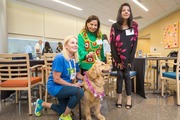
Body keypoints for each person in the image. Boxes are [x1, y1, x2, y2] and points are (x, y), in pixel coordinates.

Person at [34, 35, 84, 120]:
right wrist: (72, 85)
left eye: (76, 43)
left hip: (66, 86)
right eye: (72, 43)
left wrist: (88, 78)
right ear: (65, 46)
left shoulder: (74, 59)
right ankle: (64, 117)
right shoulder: (60, 58)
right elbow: (56, 79)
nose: (76, 45)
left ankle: (41, 103)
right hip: (55, 86)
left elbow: (77, 74)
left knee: (63, 110)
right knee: (79, 92)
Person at [110, 3, 138, 109]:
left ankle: (129, 98)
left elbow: (135, 43)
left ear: (130, 13)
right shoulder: (114, 26)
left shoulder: (134, 26)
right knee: (120, 76)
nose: (126, 12)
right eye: (123, 10)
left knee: (127, 76)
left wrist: (130, 59)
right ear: (120, 13)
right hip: (117, 57)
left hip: (129, 58)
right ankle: (119, 97)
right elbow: (112, 43)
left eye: (128, 10)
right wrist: (118, 60)